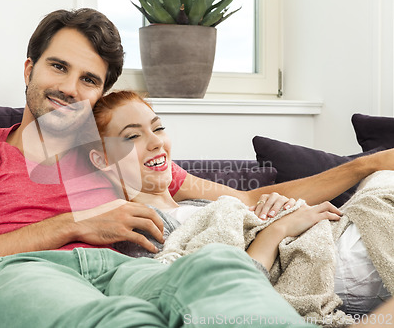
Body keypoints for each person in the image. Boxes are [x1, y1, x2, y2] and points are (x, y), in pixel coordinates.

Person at [0, 7, 394, 327]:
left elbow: (242, 201)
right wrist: (75, 224)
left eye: (89, 79)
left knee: (219, 270)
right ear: (29, 68)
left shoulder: (110, 154)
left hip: (122, 271)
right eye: (58, 67)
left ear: (99, 95)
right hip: (19, 275)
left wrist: (365, 165)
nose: (70, 88)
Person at [87, 90, 392, 317]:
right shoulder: (137, 225)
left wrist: (278, 208)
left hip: (335, 233)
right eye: (131, 137)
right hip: (328, 263)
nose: (155, 142)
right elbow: (218, 291)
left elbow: (248, 204)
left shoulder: (196, 200)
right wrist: (279, 229)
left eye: (158, 128)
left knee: (383, 177)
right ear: (102, 160)